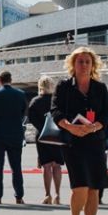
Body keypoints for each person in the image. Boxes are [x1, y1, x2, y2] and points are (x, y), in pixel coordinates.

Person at [52, 47, 108, 215]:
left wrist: (95, 126)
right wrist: (70, 127)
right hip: (72, 141)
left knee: (94, 188)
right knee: (81, 186)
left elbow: (105, 114)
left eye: (87, 61)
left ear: (93, 64)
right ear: (73, 64)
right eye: (80, 61)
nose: (84, 65)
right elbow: (55, 111)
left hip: (94, 141)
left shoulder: (100, 88)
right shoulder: (64, 86)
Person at [0, 70, 27, 204]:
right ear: (11, 80)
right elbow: (23, 113)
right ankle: (19, 196)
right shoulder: (20, 94)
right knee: (16, 167)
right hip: (15, 134)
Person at [28, 75, 63, 205]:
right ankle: (58, 195)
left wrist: (43, 128)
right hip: (57, 134)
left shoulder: (35, 101)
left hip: (42, 136)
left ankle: (47, 195)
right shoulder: (57, 100)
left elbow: (32, 118)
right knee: (57, 165)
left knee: (46, 165)